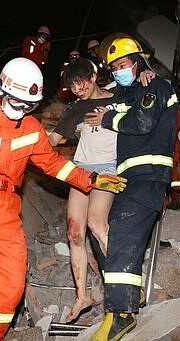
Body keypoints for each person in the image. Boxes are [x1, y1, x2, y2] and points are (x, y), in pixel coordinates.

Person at [0, 57, 127, 341]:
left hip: (6, 208)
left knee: (12, 282)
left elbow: (54, 163)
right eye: (17, 103)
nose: (22, 112)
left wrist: (90, 180)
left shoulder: (30, 128)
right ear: (0, 90)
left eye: (29, 106)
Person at [85, 36, 178, 340]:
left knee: (122, 234)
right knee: (102, 232)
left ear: (139, 61)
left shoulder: (155, 86)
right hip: (130, 178)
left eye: (123, 65)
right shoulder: (134, 89)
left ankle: (121, 315)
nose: (118, 71)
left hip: (148, 176)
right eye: (114, 68)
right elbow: (117, 99)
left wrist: (109, 118)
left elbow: (142, 121)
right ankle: (130, 292)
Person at [48, 57, 119, 323]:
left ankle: (124, 285)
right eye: (72, 86)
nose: (78, 89)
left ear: (92, 75)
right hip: (81, 171)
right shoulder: (75, 109)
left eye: (81, 82)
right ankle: (83, 296)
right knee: (74, 232)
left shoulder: (119, 98)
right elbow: (53, 140)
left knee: (96, 223)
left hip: (108, 169)